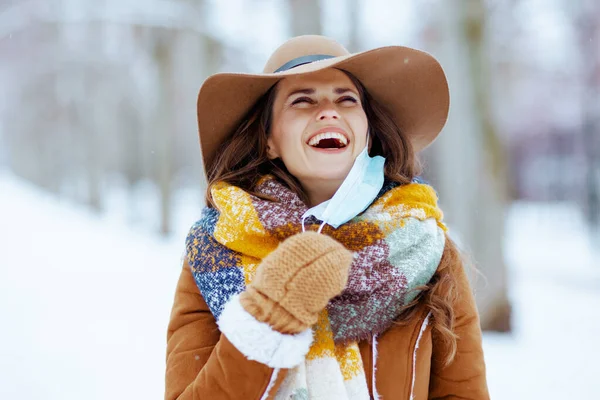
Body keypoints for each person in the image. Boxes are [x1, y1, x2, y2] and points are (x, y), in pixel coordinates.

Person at [164, 35, 489, 400]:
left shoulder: (429, 250)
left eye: (346, 99)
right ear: (269, 139)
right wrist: (270, 313)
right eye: (302, 100)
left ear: (368, 132)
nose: (328, 111)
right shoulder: (214, 253)